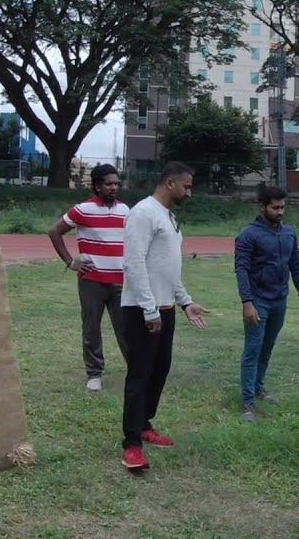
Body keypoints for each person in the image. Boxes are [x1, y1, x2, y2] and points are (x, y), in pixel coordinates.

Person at [118, 162, 210, 471]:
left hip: (165, 309)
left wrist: (185, 302)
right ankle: (131, 444)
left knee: (160, 370)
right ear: (169, 183)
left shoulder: (168, 216)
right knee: (140, 375)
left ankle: (144, 423)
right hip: (142, 310)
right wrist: (149, 308)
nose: (189, 191)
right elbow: (134, 263)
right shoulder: (142, 213)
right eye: (186, 186)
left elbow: (167, 268)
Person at [47, 163, 130, 391]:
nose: (113, 188)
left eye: (116, 184)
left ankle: (135, 370)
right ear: (96, 185)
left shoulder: (126, 211)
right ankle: (94, 373)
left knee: (126, 327)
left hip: (121, 281)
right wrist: (70, 261)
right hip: (92, 280)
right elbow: (54, 231)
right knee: (91, 327)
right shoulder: (83, 209)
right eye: (108, 184)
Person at [235, 184, 299, 422]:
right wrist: (247, 302)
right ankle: (247, 403)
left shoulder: (288, 233)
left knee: (267, 347)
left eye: (283, 207)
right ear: (262, 207)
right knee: (253, 349)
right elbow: (242, 269)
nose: (280, 212)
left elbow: (295, 263)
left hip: (280, 299)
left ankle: (258, 387)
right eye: (275, 207)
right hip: (258, 300)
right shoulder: (249, 235)